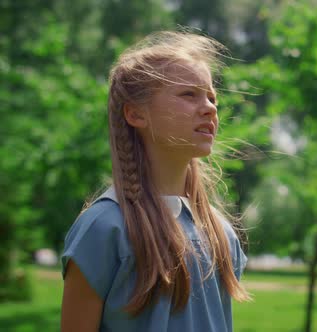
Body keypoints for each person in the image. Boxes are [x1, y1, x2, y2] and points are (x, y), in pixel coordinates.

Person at [60, 31, 250, 332]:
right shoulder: (104, 228)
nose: (210, 107)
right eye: (189, 94)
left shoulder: (221, 233)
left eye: (211, 97)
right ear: (136, 114)